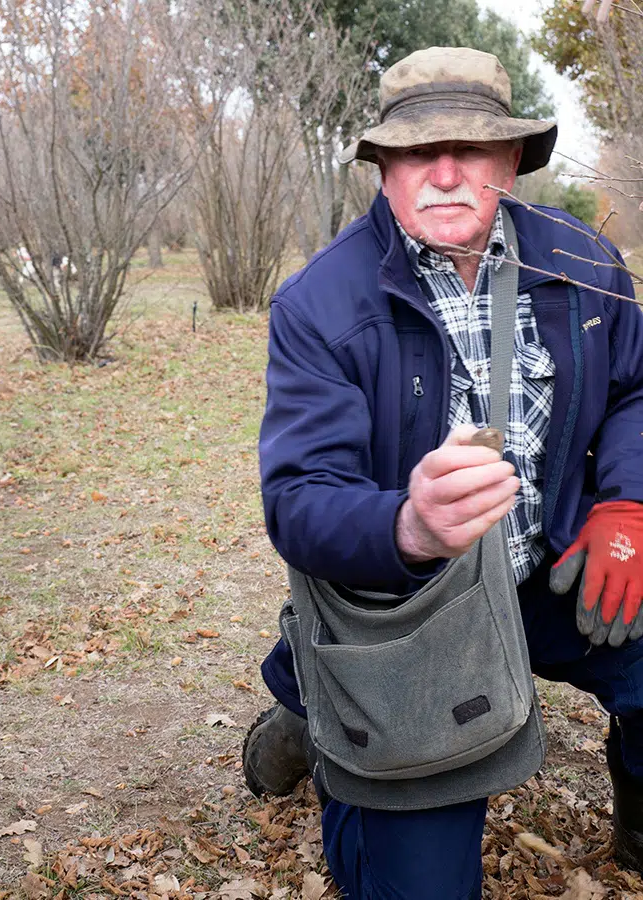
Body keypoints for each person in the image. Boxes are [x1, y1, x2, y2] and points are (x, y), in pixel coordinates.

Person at [243, 46, 643, 898]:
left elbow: (637, 387)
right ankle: (303, 709)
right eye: (421, 151)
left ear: (512, 161)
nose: (448, 172)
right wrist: (407, 527)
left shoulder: (584, 262)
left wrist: (629, 504)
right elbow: (300, 500)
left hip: (555, 563)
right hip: (411, 608)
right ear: (385, 168)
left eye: (474, 149)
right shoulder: (319, 302)